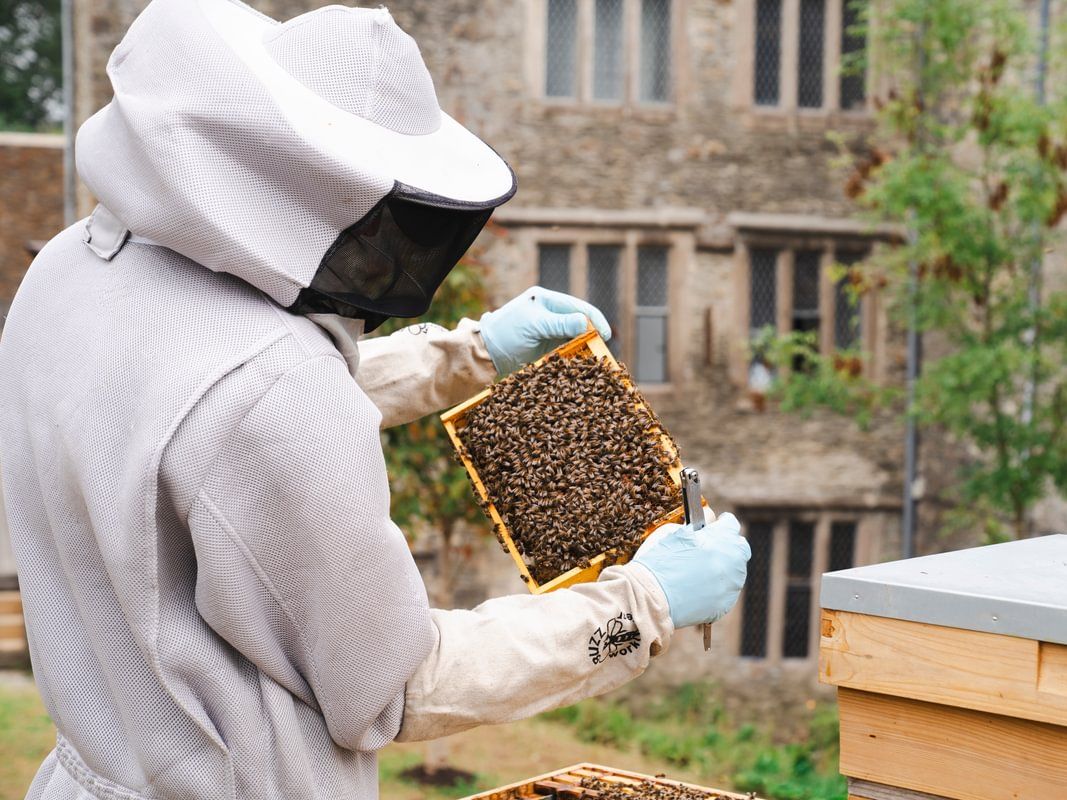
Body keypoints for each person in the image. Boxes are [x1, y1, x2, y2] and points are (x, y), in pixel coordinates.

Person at [0, 2, 751, 799]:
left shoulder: (69, 274)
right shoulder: (270, 394)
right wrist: (643, 604)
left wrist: (467, 354)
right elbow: (394, 685)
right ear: (297, 180)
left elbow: (200, 420)